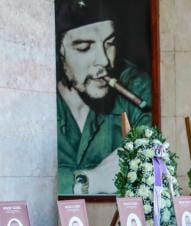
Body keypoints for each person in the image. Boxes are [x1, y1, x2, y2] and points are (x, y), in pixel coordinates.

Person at [56, 0, 152, 195]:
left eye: (110, 43)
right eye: (84, 47)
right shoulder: (32, 96)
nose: (104, 60)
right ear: (58, 51)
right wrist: (94, 181)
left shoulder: (136, 87)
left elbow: (150, 161)